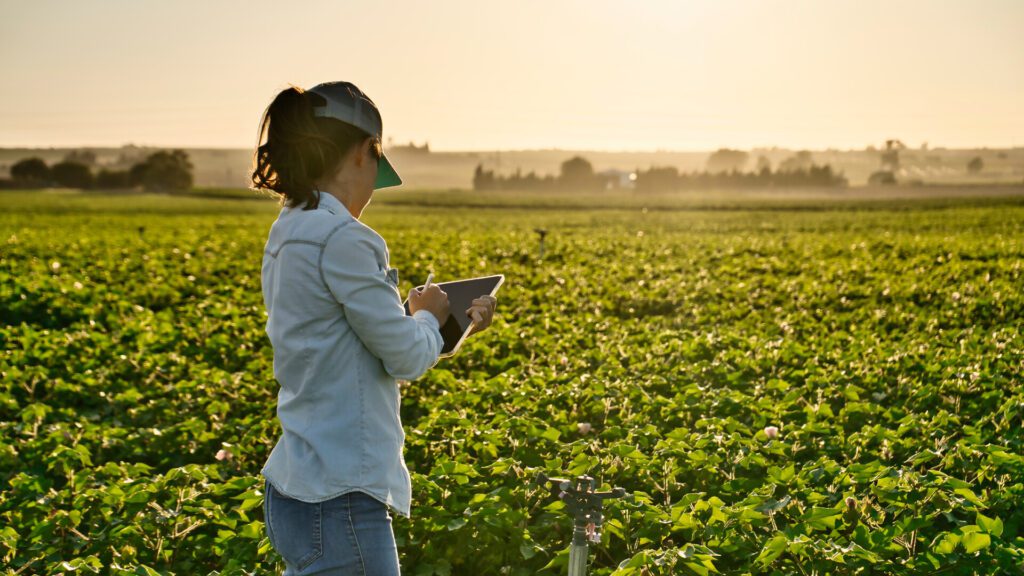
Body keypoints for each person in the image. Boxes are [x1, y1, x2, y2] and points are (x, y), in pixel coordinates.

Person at [251, 81, 497, 575]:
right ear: (366, 152)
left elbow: (346, 343)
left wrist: (439, 327)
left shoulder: (289, 229)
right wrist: (428, 313)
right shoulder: (346, 237)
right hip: (340, 495)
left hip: (296, 485)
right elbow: (404, 357)